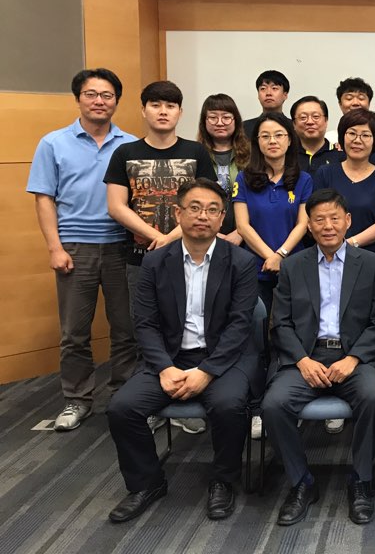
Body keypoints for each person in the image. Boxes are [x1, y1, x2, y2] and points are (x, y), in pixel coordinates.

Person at [105, 179, 260, 523]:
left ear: (222, 218)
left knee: (229, 405)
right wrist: (164, 368)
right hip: (170, 359)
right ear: (178, 213)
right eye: (195, 208)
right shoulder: (155, 262)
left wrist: (207, 371)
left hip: (224, 359)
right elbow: (145, 324)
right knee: (122, 408)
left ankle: (223, 481)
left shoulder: (241, 262)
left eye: (212, 210)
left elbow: (239, 326)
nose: (203, 216)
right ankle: (147, 483)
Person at [261, 188, 375, 526]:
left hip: (353, 357)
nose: (328, 226)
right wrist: (302, 360)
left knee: (373, 397)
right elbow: (280, 323)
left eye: (334, 218)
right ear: (309, 226)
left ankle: (361, 480)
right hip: (305, 356)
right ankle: (301, 482)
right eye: (319, 219)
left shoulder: (372, 265)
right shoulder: (293, 266)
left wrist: (354, 358)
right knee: (273, 405)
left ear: (348, 221)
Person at [105, 80, 218, 436]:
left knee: (189, 327)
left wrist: (171, 237)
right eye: (155, 105)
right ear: (144, 110)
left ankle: (186, 399)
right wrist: (157, 238)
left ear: (180, 112)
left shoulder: (196, 152)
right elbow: (116, 206)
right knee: (147, 329)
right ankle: (154, 402)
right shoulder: (125, 153)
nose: (163, 111)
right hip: (141, 258)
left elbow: (208, 203)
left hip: (192, 255)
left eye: (170, 106)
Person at [27, 68, 137, 431]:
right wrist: (54, 248)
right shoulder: (53, 143)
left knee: (126, 329)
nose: (99, 101)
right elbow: (44, 198)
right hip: (75, 247)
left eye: (107, 95)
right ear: (78, 99)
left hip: (122, 246)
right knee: (74, 332)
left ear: (116, 101)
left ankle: (124, 396)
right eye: (91, 94)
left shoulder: (130, 145)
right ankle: (77, 400)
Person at [233, 113, 312, 316]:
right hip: (255, 268)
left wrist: (280, 255)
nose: (272, 141)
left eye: (279, 135)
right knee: (258, 323)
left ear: (289, 140)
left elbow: (303, 224)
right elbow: (242, 226)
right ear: (257, 141)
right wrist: (271, 257)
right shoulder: (243, 179)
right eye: (265, 136)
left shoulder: (303, 179)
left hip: (293, 265)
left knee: (293, 324)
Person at [314, 109, 375, 259]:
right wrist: (334, 247)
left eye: (365, 135)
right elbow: (315, 216)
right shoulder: (325, 173)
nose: (357, 140)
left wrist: (348, 244)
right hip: (328, 255)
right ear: (342, 136)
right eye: (352, 133)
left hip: (371, 258)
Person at [197, 93, 249, 246]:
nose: (220, 123)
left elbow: (259, 198)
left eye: (226, 117)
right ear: (204, 121)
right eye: (213, 117)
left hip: (247, 236)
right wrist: (213, 234)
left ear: (236, 120)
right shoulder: (196, 153)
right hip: (204, 234)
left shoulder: (252, 154)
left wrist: (241, 232)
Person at [242, 70, 291, 139]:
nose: (268, 93)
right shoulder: (244, 128)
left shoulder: (295, 127)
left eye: (274, 88)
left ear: (285, 95)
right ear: (258, 95)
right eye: (263, 89)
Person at [290, 95, 332, 175]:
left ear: (326, 121)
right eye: (303, 117)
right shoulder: (286, 156)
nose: (310, 122)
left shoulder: (341, 155)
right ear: (294, 124)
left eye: (315, 116)